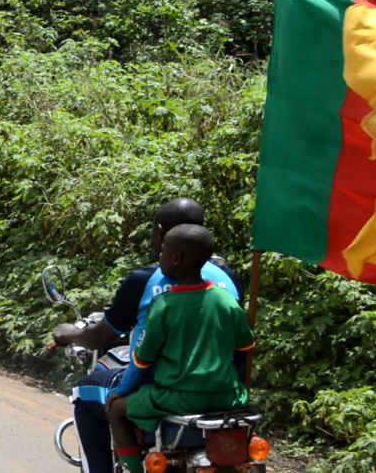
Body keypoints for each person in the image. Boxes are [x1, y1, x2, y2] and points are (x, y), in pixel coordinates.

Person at [51, 198, 241, 473]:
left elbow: (106, 341)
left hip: (163, 388)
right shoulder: (227, 280)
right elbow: (243, 342)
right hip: (222, 387)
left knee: (83, 392)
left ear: (162, 233)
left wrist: (68, 333)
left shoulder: (147, 282)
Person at [105, 224, 254, 473]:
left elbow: (142, 360)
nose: (159, 256)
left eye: (162, 252)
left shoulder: (163, 305)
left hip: (178, 398)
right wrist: (235, 386)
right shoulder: (226, 300)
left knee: (116, 410)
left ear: (176, 258)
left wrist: (121, 391)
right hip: (227, 396)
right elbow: (244, 349)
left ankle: (131, 468)